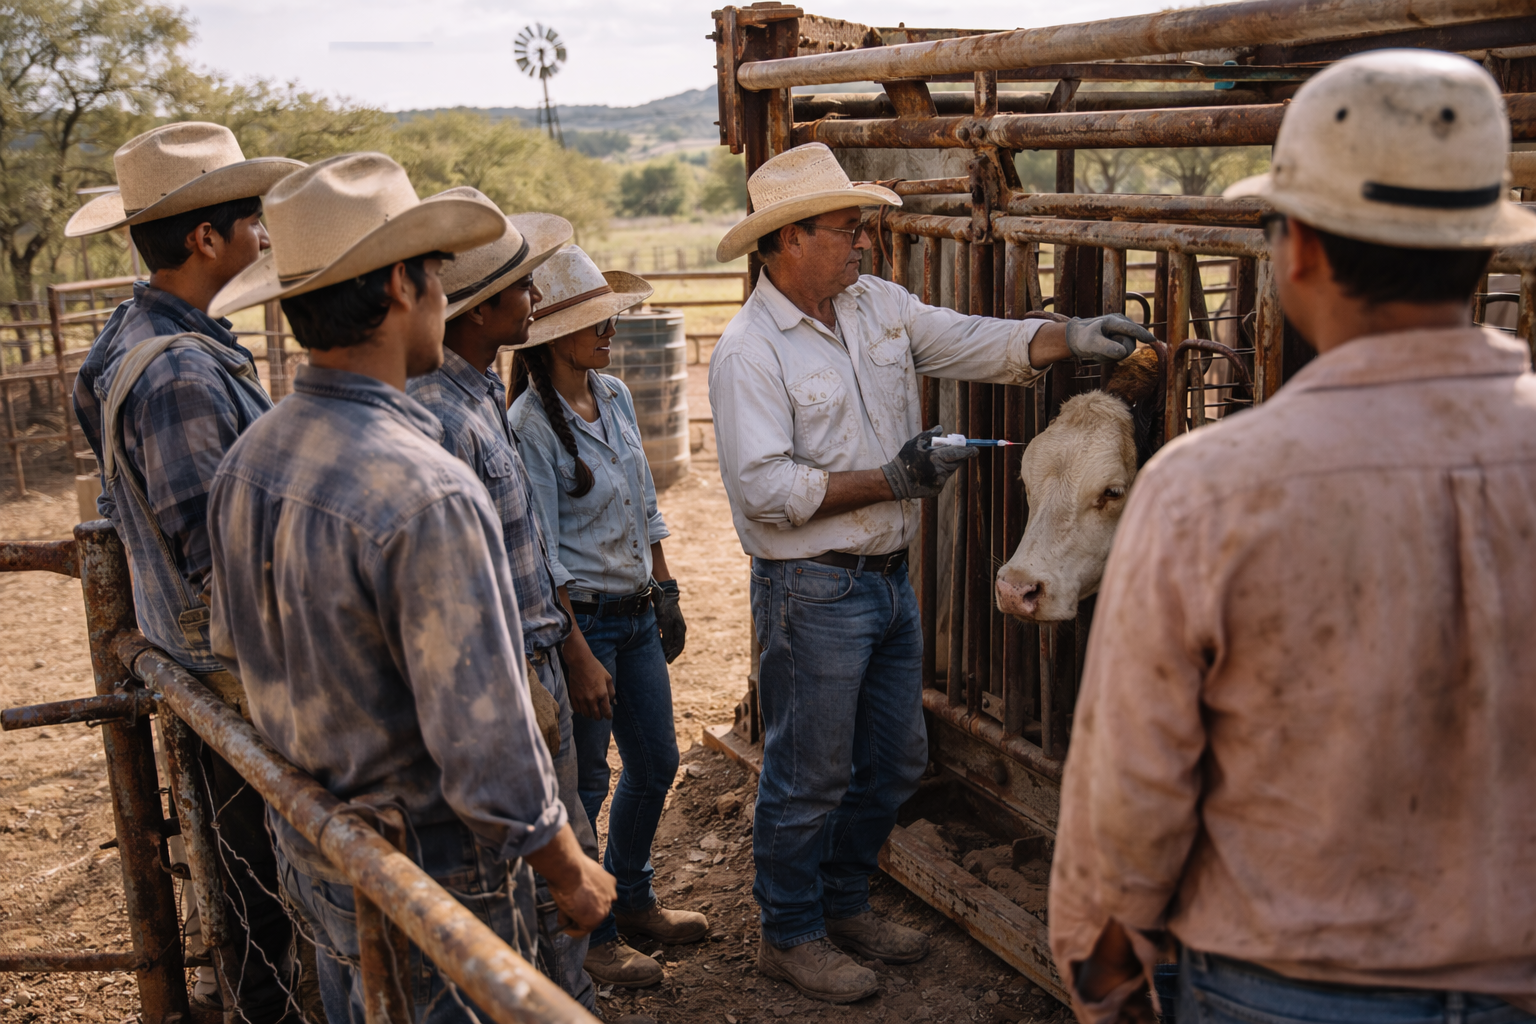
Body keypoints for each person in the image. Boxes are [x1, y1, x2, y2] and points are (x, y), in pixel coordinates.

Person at [1048, 49, 1536, 1024]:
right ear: (1485, 251)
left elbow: (1136, 783)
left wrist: (1103, 959)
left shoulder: (1208, 486)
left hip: (1282, 983)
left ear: (1300, 249)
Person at [707, 141, 1151, 1004]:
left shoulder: (874, 305)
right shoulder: (749, 352)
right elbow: (764, 493)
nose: (863, 243)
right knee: (807, 775)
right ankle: (789, 932)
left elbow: (974, 341)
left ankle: (844, 902)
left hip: (884, 578)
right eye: (845, 229)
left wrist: (1073, 336)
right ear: (787, 241)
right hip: (813, 590)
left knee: (897, 759)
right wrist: (893, 480)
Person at [203, 153, 616, 1024]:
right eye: (434, 274)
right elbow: (484, 743)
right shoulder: (423, 489)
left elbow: (234, 649)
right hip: (432, 865)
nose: (443, 292)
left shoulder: (252, 458)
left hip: (319, 841)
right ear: (400, 286)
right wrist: (568, 867)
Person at [68, 121, 305, 1022]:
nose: (264, 235)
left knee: (239, 872)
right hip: (234, 665)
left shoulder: (142, 338)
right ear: (206, 238)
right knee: (263, 889)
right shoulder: (179, 375)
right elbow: (220, 552)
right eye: (251, 218)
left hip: (196, 652)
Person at [403, 188, 603, 1009]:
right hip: (506, 666)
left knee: (564, 838)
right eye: (524, 289)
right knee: (543, 854)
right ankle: (555, 999)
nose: (537, 301)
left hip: (537, 653)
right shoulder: (439, 416)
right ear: (484, 311)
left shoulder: (481, 394)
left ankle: (569, 990)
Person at [510, 244, 705, 989]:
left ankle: (632, 895)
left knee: (656, 762)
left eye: (608, 319)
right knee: (587, 780)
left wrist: (666, 587)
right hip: (585, 622)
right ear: (555, 337)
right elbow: (543, 549)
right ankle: (590, 933)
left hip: (633, 609)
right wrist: (575, 649)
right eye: (594, 322)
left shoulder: (614, 394)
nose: (609, 331)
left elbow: (643, 499)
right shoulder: (530, 423)